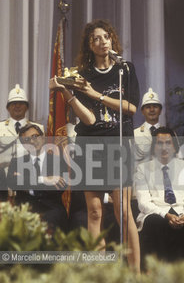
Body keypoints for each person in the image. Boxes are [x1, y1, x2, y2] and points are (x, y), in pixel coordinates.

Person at [49, 19, 140, 271]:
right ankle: (98, 272)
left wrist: (96, 94)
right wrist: (65, 90)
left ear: (112, 40)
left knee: (123, 212)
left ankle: (136, 274)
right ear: (89, 45)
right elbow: (88, 118)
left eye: (106, 37)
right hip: (90, 145)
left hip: (118, 144)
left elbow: (131, 109)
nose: (102, 42)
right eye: (96, 39)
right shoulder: (82, 74)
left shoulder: (125, 70)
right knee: (95, 212)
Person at [135, 127, 184, 265]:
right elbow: (144, 203)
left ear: (175, 146)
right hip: (156, 213)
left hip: (181, 213)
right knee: (154, 222)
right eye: (159, 143)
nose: (164, 147)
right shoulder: (142, 169)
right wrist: (166, 215)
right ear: (153, 147)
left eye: (168, 143)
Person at [7, 124, 69, 232]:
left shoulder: (58, 161)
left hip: (52, 209)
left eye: (35, 136)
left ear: (43, 137)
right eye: (26, 139)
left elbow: (60, 187)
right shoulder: (17, 162)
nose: (32, 141)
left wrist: (26, 181)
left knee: (52, 222)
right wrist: (43, 180)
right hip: (25, 209)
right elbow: (12, 183)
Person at [0, 84, 44, 172]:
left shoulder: (38, 128)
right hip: (3, 180)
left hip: (29, 178)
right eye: (14, 103)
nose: (17, 106)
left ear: (27, 107)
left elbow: (42, 156)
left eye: (21, 103)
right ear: (8, 108)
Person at [133, 87, 162, 166]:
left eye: (155, 106)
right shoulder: (135, 134)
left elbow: (177, 158)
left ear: (160, 110)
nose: (152, 110)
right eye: (148, 107)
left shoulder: (168, 134)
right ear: (142, 111)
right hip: (141, 176)